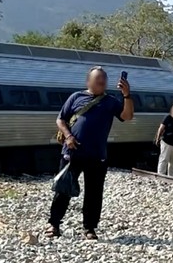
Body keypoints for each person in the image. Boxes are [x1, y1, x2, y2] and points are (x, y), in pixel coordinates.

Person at [46, 66, 134, 240]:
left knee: (94, 193)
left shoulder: (110, 101)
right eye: (98, 78)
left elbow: (127, 116)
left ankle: (89, 228)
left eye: (104, 78)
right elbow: (60, 119)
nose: (102, 81)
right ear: (88, 81)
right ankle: (54, 224)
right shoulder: (76, 97)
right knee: (62, 189)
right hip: (72, 152)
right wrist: (68, 136)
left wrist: (127, 95)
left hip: (97, 155)